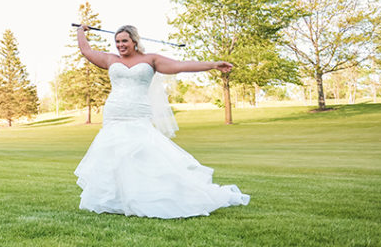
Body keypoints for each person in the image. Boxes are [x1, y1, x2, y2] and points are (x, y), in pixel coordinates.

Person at [74, 23, 250, 219]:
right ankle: (117, 201)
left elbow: (180, 66)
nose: (120, 45)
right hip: (114, 113)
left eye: (124, 41)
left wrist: (212, 64)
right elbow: (86, 50)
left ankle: (148, 196)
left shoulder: (151, 60)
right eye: (117, 42)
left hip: (138, 114)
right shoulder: (110, 59)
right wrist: (81, 30)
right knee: (115, 156)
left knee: (143, 154)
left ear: (134, 41)